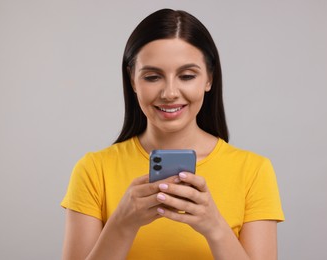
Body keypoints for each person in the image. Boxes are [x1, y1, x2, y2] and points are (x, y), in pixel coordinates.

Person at [61, 8, 284, 260]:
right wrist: (122, 224)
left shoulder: (254, 171)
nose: (169, 92)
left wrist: (214, 226)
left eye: (187, 76)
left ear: (209, 79)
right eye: (153, 76)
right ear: (133, 80)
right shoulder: (93, 170)